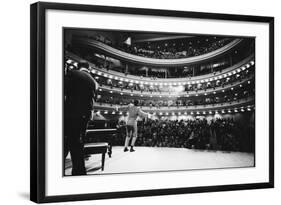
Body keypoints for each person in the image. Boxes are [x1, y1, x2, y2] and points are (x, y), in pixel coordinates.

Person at [64, 61, 98, 175]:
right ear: (88, 68)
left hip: (72, 112)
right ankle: (79, 170)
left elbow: (64, 89)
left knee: (72, 141)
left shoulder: (73, 73)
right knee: (77, 142)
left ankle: (78, 171)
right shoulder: (93, 81)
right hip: (86, 115)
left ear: (79, 67)